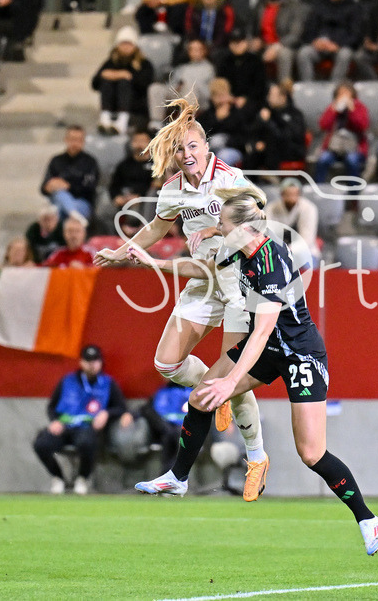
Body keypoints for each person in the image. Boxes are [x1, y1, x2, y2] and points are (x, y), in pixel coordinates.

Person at [130, 184, 378, 556]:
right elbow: (203, 267)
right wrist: (155, 263)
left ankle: (367, 518)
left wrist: (231, 383)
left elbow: (263, 329)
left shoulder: (269, 264)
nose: (217, 228)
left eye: (221, 224)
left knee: (311, 452)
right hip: (269, 348)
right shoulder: (241, 248)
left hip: (300, 354)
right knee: (201, 396)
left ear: (243, 229)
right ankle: (178, 478)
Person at [93, 97, 270, 503]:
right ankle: (216, 386)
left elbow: (259, 219)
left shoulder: (229, 178)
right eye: (179, 148)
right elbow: (157, 227)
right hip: (203, 280)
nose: (187, 154)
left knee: (233, 381)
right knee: (166, 362)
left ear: (207, 148)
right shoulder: (173, 190)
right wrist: (122, 252)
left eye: (193, 145)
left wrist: (218, 233)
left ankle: (257, 457)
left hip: (240, 285)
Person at [32, 344, 133, 495]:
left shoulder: (108, 383)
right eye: (88, 360)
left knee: (87, 443)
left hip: (87, 428)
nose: (92, 364)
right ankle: (58, 477)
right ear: (81, 362)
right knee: (41, 444)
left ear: (100, 362)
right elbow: (52, 406)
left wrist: (106, 413)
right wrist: (55, 421)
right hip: (65, 427)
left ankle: (82, 478)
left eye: (95, 360)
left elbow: (121, 407)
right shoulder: (67, 381)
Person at [296, 0, 362, 82]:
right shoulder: (318, 6)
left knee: (345, 54)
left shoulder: (355, 8)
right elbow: (308, 30)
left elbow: (356, 35)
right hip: (319, 46)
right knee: (304, 53)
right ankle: (309, 89)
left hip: (341, 47)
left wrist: (337, 45)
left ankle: (334, 89)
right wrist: (315, 41)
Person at [92, 26, 155, 136]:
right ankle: (105, 116)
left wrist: (126, 77)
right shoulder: (111, 62)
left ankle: (122, 120)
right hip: (113, 104)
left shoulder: (144, 64)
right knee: (107, 80)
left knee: (124, 83)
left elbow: (145, 84)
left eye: (129, 44)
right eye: (123, 44)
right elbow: (95, 83)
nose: (126, 47)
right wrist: (120, 74)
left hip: (136, 107)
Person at [248, 0, 304, 82]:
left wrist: (276, 47)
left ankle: (283, 92)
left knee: (284, 54)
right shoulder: (259, 6)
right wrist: (253, 41)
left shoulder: (294, 7)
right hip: (263, 45)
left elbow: (295, 35)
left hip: (285, 46)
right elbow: (251, 28)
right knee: (246, 50)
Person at [314, 81, 370, 183]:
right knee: (322, 160)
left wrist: (352, 111)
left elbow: (362, 126)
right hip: (333, 147)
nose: (343, 96)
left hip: (354, 147)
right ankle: (319, 190)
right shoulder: (332, 107)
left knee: (352, 161)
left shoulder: (360, 107)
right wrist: (333, 111)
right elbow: (323, 125)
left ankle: (353, 194)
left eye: (346, 93)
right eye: (340, 94)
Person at [150, 39, 216, 125]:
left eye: (198, 49)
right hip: (180, 94)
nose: (195, 52)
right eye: (192, 49)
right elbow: (172, 85)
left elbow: (210, 90)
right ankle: (156, 122)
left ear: (204, 51)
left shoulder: (209, 68)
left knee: (190, 87)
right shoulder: (183, 68)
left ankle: (184, 121)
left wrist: (187, 85)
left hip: (199, 99)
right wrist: (178, 86)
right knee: (156, 88)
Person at [40, 125, 99, 220]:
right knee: (60, 195)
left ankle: (71, 212)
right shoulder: (56, 160)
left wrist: (68, 186)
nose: (74, 143)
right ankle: (73, 214)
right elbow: (43, 188)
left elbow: (90, 188)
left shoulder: (90, 162)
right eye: (72, 139)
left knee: (59, 207)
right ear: (66, 140)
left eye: (78, 140)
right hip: (57, 200)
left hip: (81, 202)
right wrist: (49, 186)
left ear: (83, 142)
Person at [246, 82, 306, 170]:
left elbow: (285, 137)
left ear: (283, 97)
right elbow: (253, 131)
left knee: (271, 147)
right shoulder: (267, 112)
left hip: (290, 150)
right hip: (269, 151)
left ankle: (272, 177)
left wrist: (268, 122)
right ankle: (248, 181)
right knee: (252, 155)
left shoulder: (295, 114)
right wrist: (257, 143)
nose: (268, 98)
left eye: (272, 95)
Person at [265, 178, 319, 265]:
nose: (291, 197)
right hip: (277, 251)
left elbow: (307, 239)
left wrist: (288, 250)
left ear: (300, 194)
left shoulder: (309, 208)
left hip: (304, 251)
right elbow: (267, 233)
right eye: (288, 194)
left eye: (294, 194)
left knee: (305, 261)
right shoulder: (271, 208)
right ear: (281, 194)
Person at [107, 130, 158, 222]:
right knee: (105, 211)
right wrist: (116, 197)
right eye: (136, 141)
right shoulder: (124, 164)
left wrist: (140, 197)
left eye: (143, 141)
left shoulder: (156, 165)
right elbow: (114, 185)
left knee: (133, 215)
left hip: (143, 200)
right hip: (123, 197)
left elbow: (155, 187)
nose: (139, 145)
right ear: (131, 143)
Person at [197, 78, 246, 167]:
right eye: (217, 95)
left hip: (232, 149)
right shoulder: (207, 115)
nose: (221, 99)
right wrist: (217, 119)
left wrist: (224, 120)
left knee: (221, 154)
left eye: (223, 95)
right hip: (210, 150)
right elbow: (203, 136)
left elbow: (242, 139)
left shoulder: (237, 113)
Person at [216, 29, 267, 109]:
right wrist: (230, 98)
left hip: (252, 101)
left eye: (239, 42)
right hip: (229, 102)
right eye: (234, 42)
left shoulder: (255, 61)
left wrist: (246, 98)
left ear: (245, 43)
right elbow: (220, 83)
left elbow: (260, 86)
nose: (237, 45)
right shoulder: (225, 62)